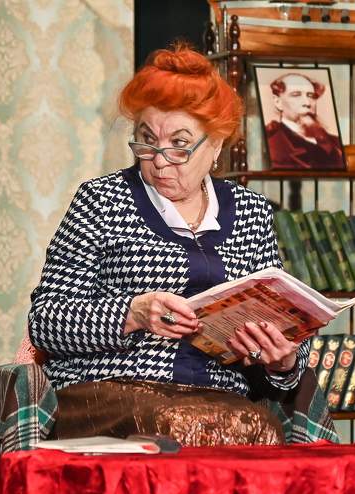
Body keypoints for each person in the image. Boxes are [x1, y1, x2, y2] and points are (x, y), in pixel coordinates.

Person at [26, 45, 320, 447]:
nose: (160, 161)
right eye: (147, 142)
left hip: (220, 397)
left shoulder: (250, 211)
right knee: (183, 428)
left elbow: (282, 322)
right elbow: (45, 321)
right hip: (110, 389)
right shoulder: (101, 200)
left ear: (216, 145)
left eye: (179, 146)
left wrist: (283, 358)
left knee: (259, 431)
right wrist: (132, 314)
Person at [265, 72, 345, 170]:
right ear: (278, 102)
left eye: (311, 96)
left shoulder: (335, 142)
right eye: (296, 95)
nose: (307, 103)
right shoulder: (272, 146)